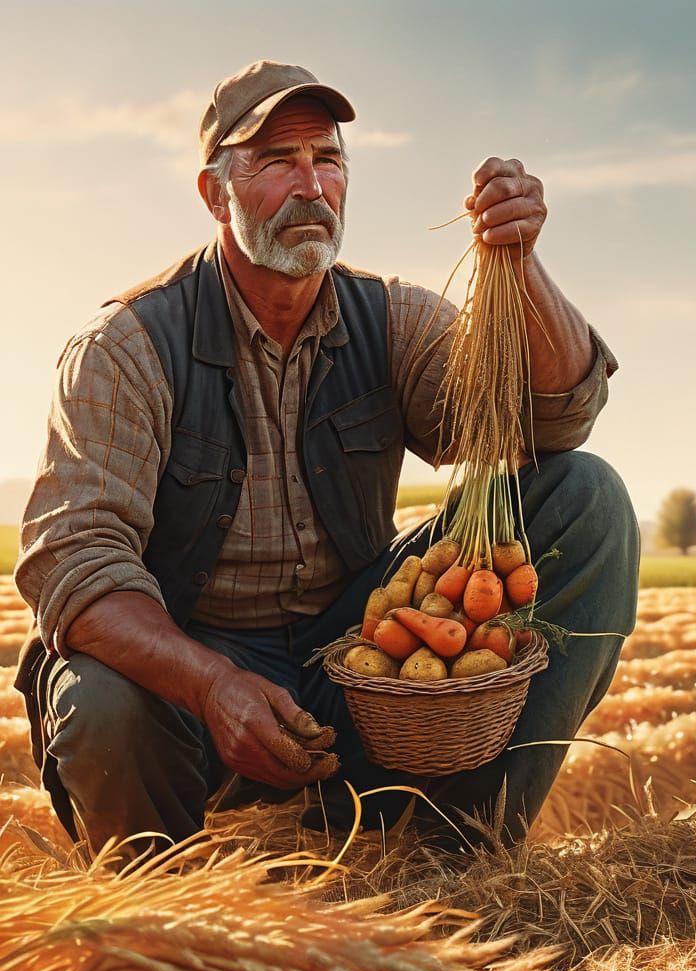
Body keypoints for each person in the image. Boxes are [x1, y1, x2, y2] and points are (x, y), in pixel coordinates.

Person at [14, 60, 640, 859]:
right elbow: (76, 567)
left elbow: (554, 419)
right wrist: (212, 685)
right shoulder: (127, 347)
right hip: (189, 673)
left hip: (355, 654)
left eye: (329, 159)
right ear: (216, 194)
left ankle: (458, 855)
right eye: (278, 160)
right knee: (97, 694)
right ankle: (160, 906)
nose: (311, 184)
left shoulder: (393, 318)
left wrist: (519, 264)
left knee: (587, 498)